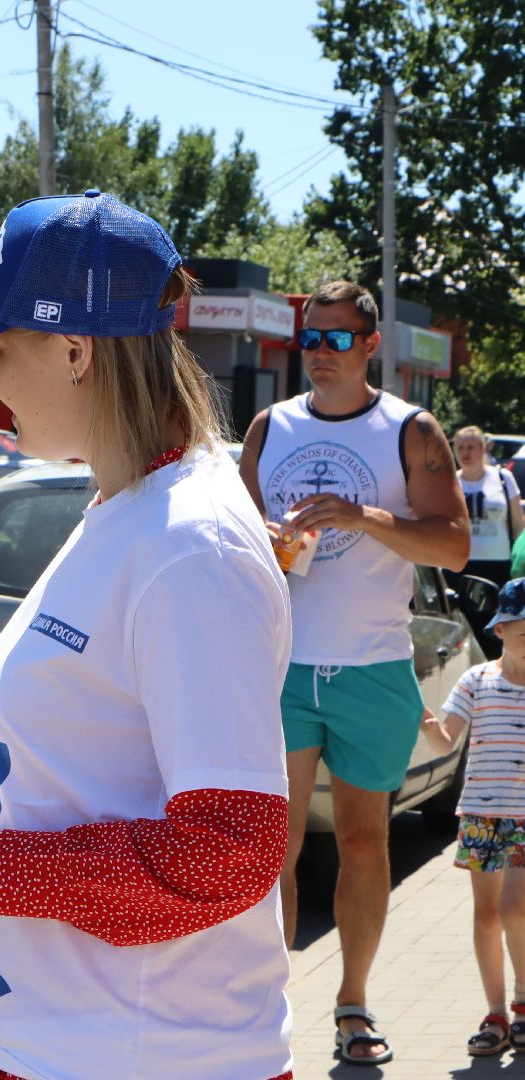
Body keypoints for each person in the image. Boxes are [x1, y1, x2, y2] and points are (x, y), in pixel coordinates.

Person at [0, 189, 295, 1080]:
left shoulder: (192, 545)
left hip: (145, 1057)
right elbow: (103, 754)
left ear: (74, 350)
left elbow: (229, 853)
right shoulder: (127, 505)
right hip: (58, 1042)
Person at [239, 280, 469, 1065]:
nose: (320, 352)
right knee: (273, 845)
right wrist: (262, 542)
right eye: (311, 338)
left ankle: (354, 1002)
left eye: (337, 339)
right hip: (282, 667)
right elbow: (230, 541)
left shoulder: (411, 428)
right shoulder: (271, 427)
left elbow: (453, 546)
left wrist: (359, 515)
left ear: (372, 345)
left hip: (373, 667)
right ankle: (263, 1002)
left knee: (365, 843)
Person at [419, 578, 525, 1057]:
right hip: (482, 815)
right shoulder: (476, 680)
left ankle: (523, 1004)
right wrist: (423, 724)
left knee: (514, 908)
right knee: (486, 915)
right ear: (500, 628)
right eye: (518, 622)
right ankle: (496, 1012)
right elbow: (447, 742)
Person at [453, 425, 523, 588]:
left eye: (470, 447)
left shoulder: (503, 477)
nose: (465, 452)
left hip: (499, 562)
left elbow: (518, 524)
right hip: (460, 563)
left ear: (482, 449)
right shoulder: (451, 482)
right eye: (460, 448)